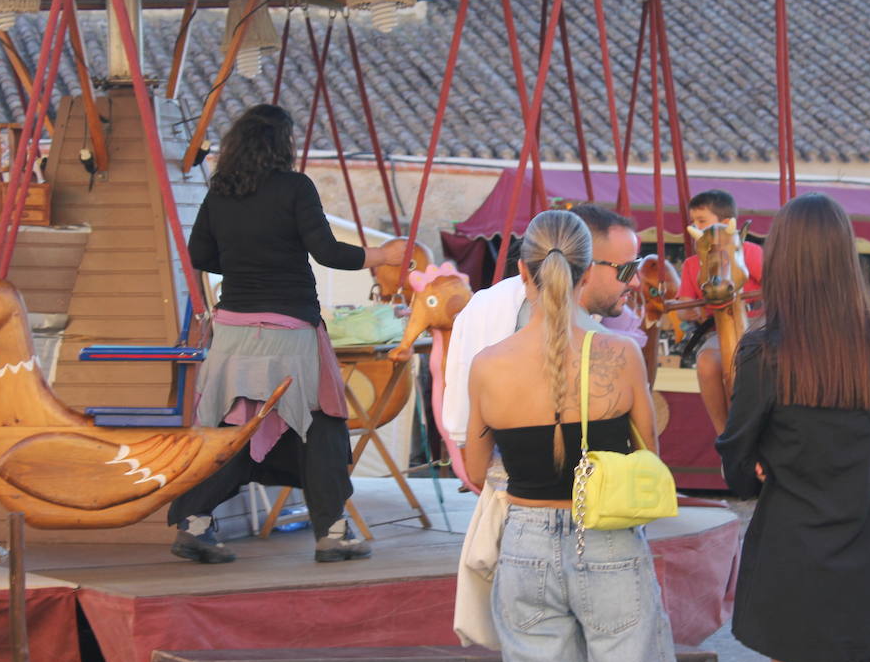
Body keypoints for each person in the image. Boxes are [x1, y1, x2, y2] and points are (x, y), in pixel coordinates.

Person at [465, 208, 684, 662]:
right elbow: (651, 455)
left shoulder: (488, 367)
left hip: (525, 543)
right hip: (606, 536)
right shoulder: (621, 354)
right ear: (587, 275)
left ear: (523, 272)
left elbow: (478, 473)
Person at [168, 105, 404, 564]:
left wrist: (244, 263)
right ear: (282, 146)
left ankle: (194, 522)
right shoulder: (296, 188)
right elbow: (329, 252)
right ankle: (332, 532)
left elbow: (201, 254)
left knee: (232, 429)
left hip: (234, 334)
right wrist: (384, 254)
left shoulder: (221, 191)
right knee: (322, 429)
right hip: (290, 333)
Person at [716, 193, 870, 662]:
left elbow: (737, 470)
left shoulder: (766, 352)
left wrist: (767, 464)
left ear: (783, 259)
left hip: (798, 565)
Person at [443, 203, 645, 448]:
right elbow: (646, 449)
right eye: (626, 269)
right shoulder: (623, 350)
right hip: (593, 483)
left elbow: (467, 442)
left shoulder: (486, 323)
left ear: (523, 270)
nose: (635, 281)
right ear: (588, 267)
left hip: (511, 481)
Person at [677, 189, 764, 434]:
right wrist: (691, 310)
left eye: (702, 221)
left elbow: (775, 286)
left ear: (726, 224)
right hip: (719, 326)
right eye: (693, 222)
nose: (695, 226)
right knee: (706, 362)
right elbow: (684, 304)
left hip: (759, 322)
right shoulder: (692, 264)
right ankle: (722, 430)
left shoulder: (749, 252)